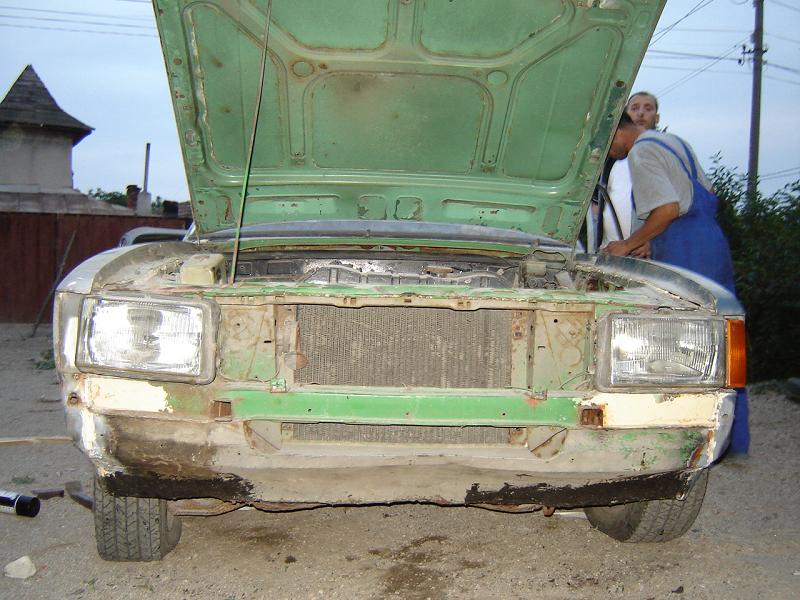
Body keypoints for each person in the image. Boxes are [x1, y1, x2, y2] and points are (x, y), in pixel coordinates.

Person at [604, 112, 748, 455]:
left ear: (615, 132)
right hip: (709, 240)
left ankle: (690, 439)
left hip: (686, 248)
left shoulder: (641, 152)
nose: (608, 155)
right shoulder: (672, 140)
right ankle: (733, 439)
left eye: (605, 146)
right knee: (724, 337)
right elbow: (703, 194)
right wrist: (649, 240)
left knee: (684, 345)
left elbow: (668, 209)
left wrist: (628, 243)